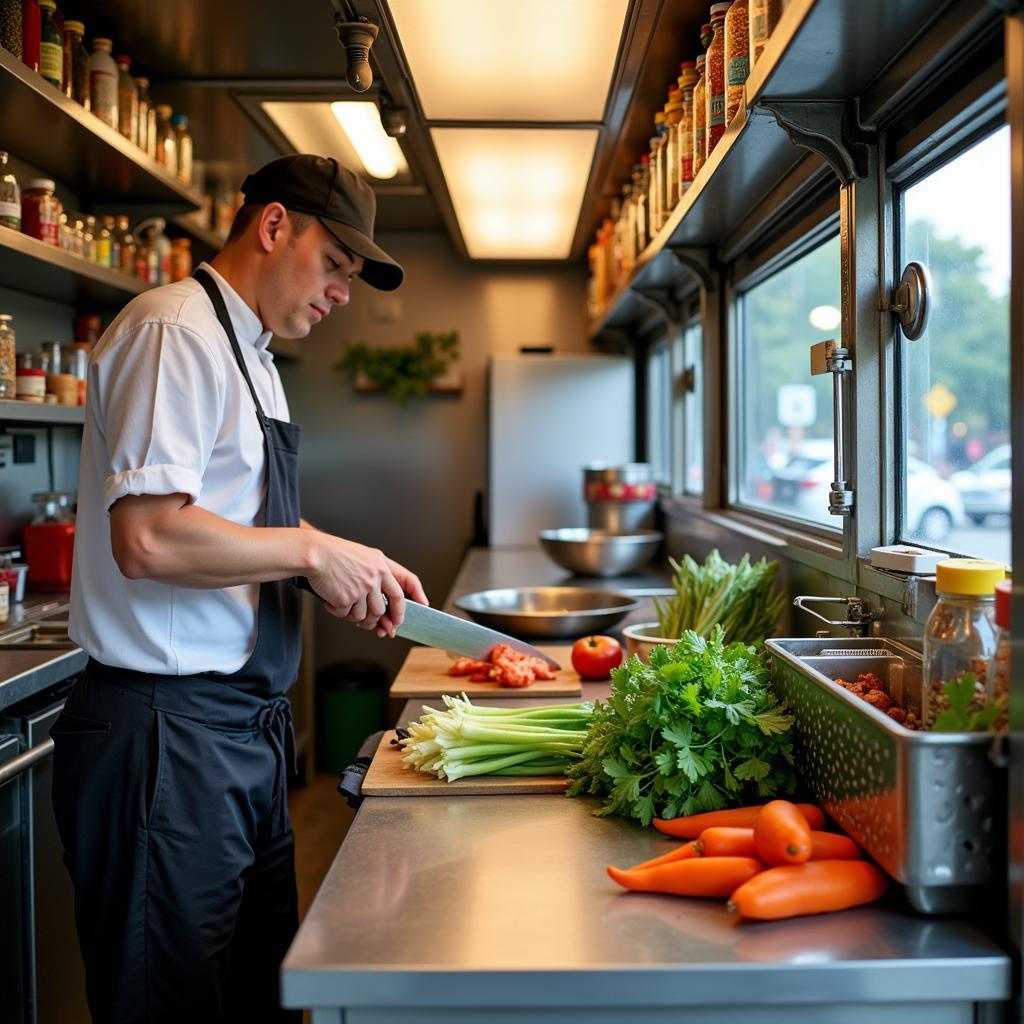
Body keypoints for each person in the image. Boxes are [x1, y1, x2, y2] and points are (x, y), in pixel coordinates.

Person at [53, 155, 427, 1024]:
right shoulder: (174, 330)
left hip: (235, 738)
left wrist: (329, 566)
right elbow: (147, 538)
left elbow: (222, 532)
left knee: (256, 993)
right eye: (334, 263)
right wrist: (306, 550)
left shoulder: (252, 352)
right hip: (163, 741)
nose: (341, 292)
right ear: (272, 227)